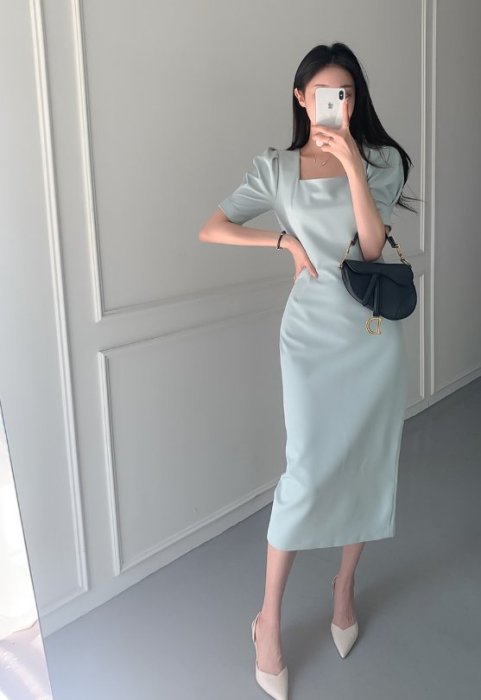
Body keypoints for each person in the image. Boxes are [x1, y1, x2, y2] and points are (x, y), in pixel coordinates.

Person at [199, 42, 418, 700]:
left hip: (370, 334)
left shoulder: (381, 161)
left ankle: (343, 588)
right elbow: (213, 226)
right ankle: (267, 619)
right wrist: (282, 240)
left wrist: (351, 162)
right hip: (309, 337)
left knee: (367, 460)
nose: (334, 103)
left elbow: (372, 247)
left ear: (355, 100)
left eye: (345, 93)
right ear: (301, 98)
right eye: (323, 93)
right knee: (305, 471)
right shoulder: (276, 168)